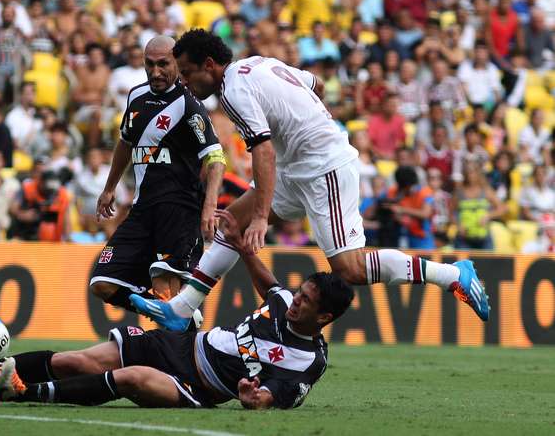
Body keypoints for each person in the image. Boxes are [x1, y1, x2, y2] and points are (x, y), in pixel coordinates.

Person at [131, 29, 489, 331]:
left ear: (209, 65)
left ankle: (451, 274)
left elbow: (264, 151)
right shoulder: (259, 63)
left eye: (189, 74)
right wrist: (309, 124)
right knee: (231, 226)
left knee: (350, 269)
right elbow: (314, 84)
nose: (187, 84)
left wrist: (261, 215)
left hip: (322, 168)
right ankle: (182, 309)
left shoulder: (232, 91)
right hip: (297, 166)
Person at [0, 209, 354, 410]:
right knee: (79, 359)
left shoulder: (307, 362)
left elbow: (273, 397)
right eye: (301, 293)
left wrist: (252, 397)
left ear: (324, 319)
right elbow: (271, 286)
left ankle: (23, 392)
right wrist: (245, 251)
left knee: (129, 378)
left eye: (306, 302)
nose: (296, 301)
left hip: (197, 386)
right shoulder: (284, 302)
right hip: (181, 342)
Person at [90, 36, 225, 320]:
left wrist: (210, 206)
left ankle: (175, 345)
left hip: (179, 211)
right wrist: (110, 187)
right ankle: (172, 318)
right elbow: (126, 142)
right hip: (142, 210)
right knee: (101, 283)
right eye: (149, 65)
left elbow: (215, 159)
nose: (156, 72)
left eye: (163, 64)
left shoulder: (190, 105)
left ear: (177, 62)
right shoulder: (135, 97)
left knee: (166, 288)